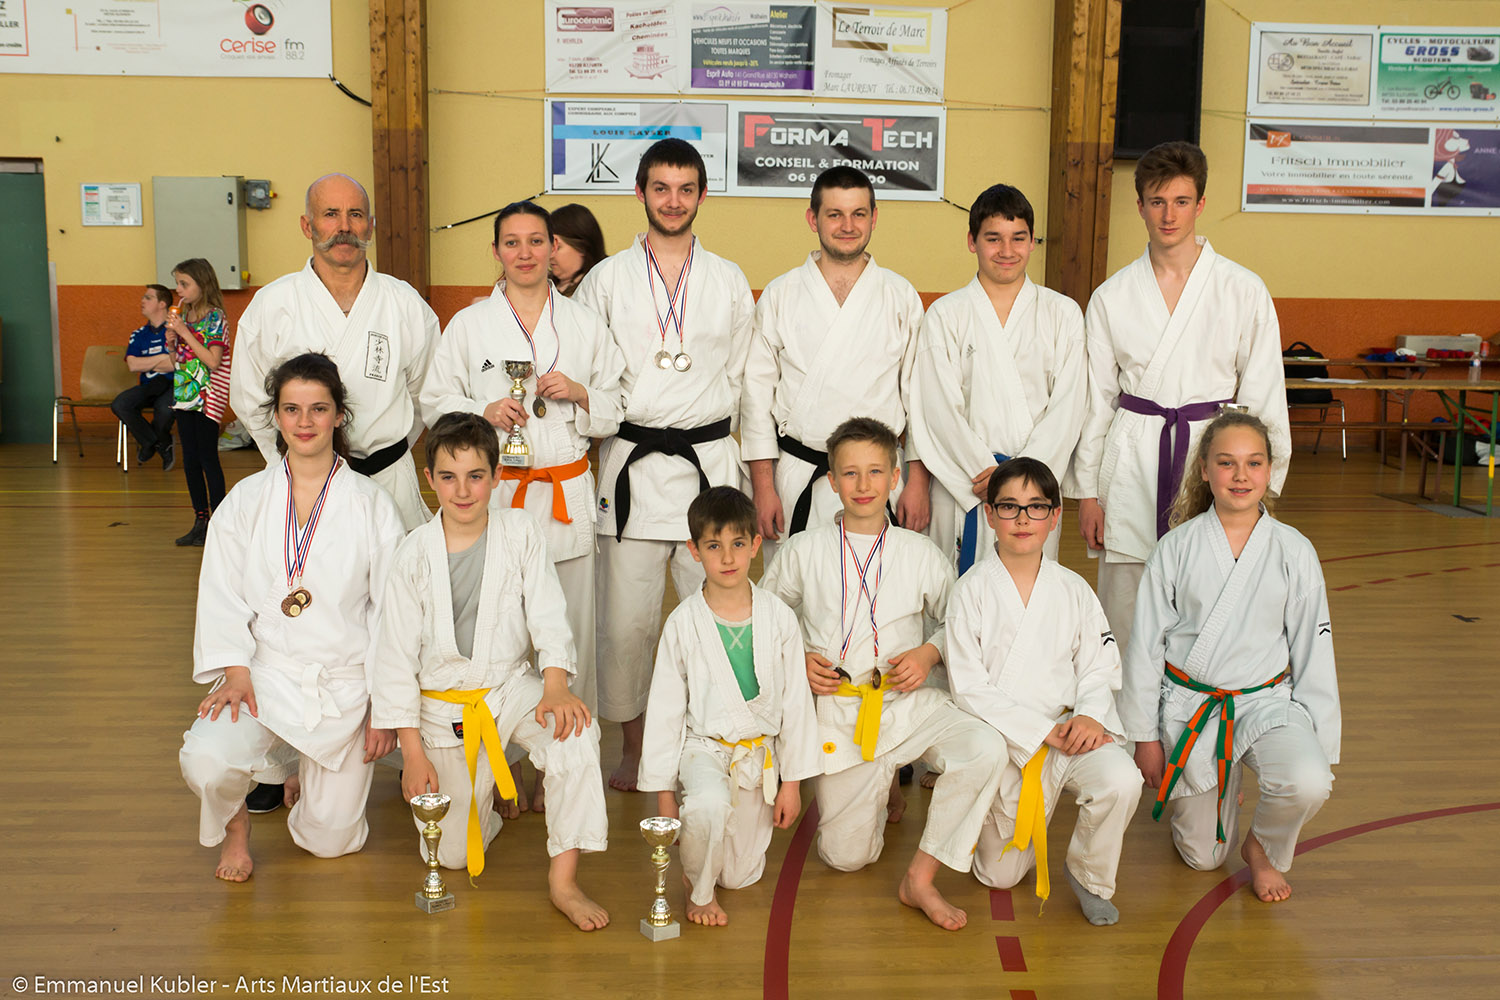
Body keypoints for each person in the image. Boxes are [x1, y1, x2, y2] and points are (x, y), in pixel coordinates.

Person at [760, 418, 1006, 931]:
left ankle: (921, 876)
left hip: (905, 703)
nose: (864, 485)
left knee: (985, 748)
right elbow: (765, 620)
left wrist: (930, 653)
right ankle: (885, 780)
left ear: (896, 477)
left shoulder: (920, 553)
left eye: (876, 472)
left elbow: (959, 622)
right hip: (840, 711)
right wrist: (798, 657)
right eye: (850, 473)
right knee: (846, 859)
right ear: (832, 481)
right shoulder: (802, 550)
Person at [369, 412, 610, 931]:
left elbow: (548, 612)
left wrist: (555, 684)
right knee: (451, 855)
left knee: (576, 735)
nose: (463, 491)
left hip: (508, 690)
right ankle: (482, 807)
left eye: (476, 476)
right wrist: (412, 754)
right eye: (449, 477)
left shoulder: (520, 531)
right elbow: (394, 659)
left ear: (497, 476)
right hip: (443, 709)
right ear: (429, 479)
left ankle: (564, 882)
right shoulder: (412, 554)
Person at [421, 200, 624, 811]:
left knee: (570, 631)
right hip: (498, 496)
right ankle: (502, 766)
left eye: (538, 241)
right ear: (496, 252)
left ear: (553, 248)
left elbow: (618, 404)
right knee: (498, 630)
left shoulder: (584, 324)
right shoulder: (469, 325)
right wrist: (478, 413)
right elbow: (434, 401)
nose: (526, 253)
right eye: (512, 242)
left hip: (564, 495)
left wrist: (582, 393)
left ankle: (555, 766)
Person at [179, 352, 405, 882]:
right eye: (292, 409)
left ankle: (302, 769)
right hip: (265, 675)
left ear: (339, 415)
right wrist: (235, 671)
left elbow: (391, 615)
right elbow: (220, 594)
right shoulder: (246, 501)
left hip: (343, 686)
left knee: (330, 841)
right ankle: (236, 825)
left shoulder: (372, 505)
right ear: (276, 416)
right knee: (207, 761)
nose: (305, 422)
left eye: (318, 409)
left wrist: (383, 705)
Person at [574, 138, 755, 792]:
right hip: (633, 467)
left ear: (701, 195)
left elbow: (744, 377)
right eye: (661, 188)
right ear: (641, 193)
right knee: (626, 625)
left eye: (685, 189)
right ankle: (635, 749)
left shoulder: (728, 279)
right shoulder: (606, 280)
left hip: (709, 464)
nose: (673, 201)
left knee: (719, 614)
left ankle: (714, 741)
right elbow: (591, 372)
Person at [1065, 141, 1290, 654]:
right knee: (1126, 609)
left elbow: (1264, 395)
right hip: (1132, 461)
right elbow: (1096, 403)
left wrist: (1262, 483)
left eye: (1181, 201)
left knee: (1212, 599)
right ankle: (1125, 705)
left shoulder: (1242, 289)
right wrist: (1089, 494)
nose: (1169, 215)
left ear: (1200, 204)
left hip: (1212, 456)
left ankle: (1204, 699)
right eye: (1158, 202)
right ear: (1140, 206)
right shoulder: (1112, 295)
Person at [1122, 412, 1339, 903]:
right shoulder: (1175, 548)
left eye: (1253, 463)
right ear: (1204, 470)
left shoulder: (1294, 550)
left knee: (1308, 781)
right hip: (1194, 705)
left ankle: (1261, 847)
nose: (1241, 476)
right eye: (1226, 463)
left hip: (1266, 702)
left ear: (1269, 471)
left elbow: (1314, 649)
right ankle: (1224, 783)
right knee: (1203, 857)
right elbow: (1145, 648)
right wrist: (1145, 737)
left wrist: (1319, 742)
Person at [945, 457, 1140, 926]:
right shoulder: (970, 592)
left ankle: (1090, 876)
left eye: (1036, 507)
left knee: (1122, 779)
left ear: (1055, 517)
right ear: (989, 514)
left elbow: (1098, 664)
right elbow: (968, 688)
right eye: (1009, 507)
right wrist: (1040, 732)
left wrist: (1090, 715)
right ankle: (1001, 820)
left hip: (1070, 730)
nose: (1022, 519)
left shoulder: (1073, 589)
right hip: (1010, 743)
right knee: (999, 876)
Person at [637, 486, 819, 926]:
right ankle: (698, 891)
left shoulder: (779, 617)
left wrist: (792, 784)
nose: (727, 557)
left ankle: (707, 865)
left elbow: (796, 704)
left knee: (738, 877)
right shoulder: (683, 623)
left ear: (756, 545)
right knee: (707, 807)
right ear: (694, 551)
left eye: (738, 544)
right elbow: (664, 712)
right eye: (713, 546)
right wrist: (664, 795)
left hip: (758, 753)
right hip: (705, 747)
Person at [230, 172, 440, 534]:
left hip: (388, 478)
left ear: (371, 226)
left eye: (355, 215)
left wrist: (390, 448)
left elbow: (427, 395)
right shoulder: (273, 304)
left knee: (397, 568)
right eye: (330, 214)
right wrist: (294, 455)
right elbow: (250, 399)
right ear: (307, 225)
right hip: (302, 479)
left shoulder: (405, 304)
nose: (344, 227)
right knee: (304, 568)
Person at [742, 166, 929, 556]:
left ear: (874, 218)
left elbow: (921, 401)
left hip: (880, 479)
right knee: (796, 585)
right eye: (834, 214)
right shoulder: (780, 294)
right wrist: (763, 487)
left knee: (882, 586)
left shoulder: (900, 295)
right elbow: (756, 399)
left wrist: (917, 482)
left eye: (858, 214)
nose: (848, 225)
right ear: (813, 219)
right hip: (800, 475)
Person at [909, 184, 1086, 570]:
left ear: (1033, 242)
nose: (1007, 250)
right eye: (993, 238)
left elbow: (1069, 409)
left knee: (1029, 590)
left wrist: (1019, 482)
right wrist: (985, 475)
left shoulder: (1063, 313)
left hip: (1034, 490)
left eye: (1018, 238)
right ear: (972, 241)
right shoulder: (945, 314)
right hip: (964, 485)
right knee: (954, 591)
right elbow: (937, 409)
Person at [166, 259, 233, 546]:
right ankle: (200, 520)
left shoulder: (215, 317)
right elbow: (179, 362)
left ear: (202, 284)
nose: (179, 290)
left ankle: (220, 522)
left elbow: (213, 361)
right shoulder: (186, 316)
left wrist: (184, 333)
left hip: (208, 396)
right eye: (177, 284)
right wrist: (172, 343)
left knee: (207, 458)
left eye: (184, 284)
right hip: (185, 394)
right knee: (190, 461)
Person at [112, 283, 178, 470]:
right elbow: (133, 365)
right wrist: (163, 358)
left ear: (162, 304)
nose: (142, 301)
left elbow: (176, 363)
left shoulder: (176, 330)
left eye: (148, 298)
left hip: (173, 384)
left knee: (164, 411)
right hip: (149, 386)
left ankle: (156, 441)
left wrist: (149, 361)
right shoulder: (139, 334)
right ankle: (153, 442)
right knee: (120, 404)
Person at [549, 203, 607, 297]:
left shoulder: (601, 288)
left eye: (558, 247)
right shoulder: (542, 283)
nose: (549, 255)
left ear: (582, 248)